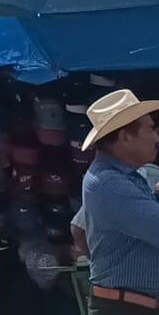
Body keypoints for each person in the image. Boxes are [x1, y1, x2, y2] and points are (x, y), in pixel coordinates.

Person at [78, 89, 159, 315]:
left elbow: (77, 228)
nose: (156, 137)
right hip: (126, 308)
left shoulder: (117, 177)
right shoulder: (107, 183)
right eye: (150, 128)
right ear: (125, 137)